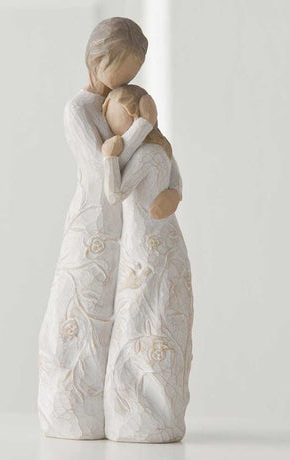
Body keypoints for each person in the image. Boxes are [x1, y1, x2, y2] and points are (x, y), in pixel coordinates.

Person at [38, 18, 182, 440]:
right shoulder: (78, 110)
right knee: (82, 310)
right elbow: (104, 171)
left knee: (125, 315)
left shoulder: (117, 102)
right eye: (121, 69)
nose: (126, 81)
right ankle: (73, 409)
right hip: (94, 222)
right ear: (98, 59)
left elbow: (141, 163)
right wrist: (142, 126)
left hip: (128, 227)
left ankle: (123, 407)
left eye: (133, 72)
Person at [102, 85, 193, 443]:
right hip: (166, 240)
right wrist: (173, 195)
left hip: (143, 245)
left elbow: (114, 193)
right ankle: (162, 412)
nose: (109, 126)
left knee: (138, 318)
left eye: (113, 117)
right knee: (158, 315)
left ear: (131, 117)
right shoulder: (162, 150)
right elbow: (177, 183)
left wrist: (109, 158)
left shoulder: (145, 156)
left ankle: (138, 412)